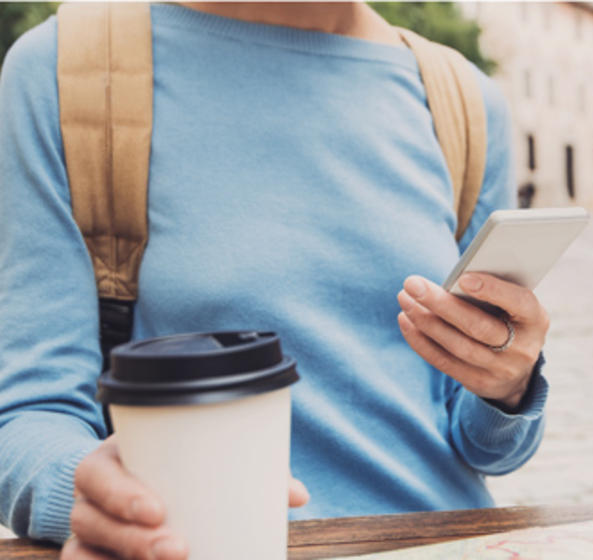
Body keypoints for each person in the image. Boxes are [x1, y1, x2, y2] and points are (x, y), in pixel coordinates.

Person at [0, 3, 551, 559]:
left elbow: (486, 448)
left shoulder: (464, 102)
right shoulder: (68, 73)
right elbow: (27, 415)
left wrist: (505, 387)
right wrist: (87, 495)